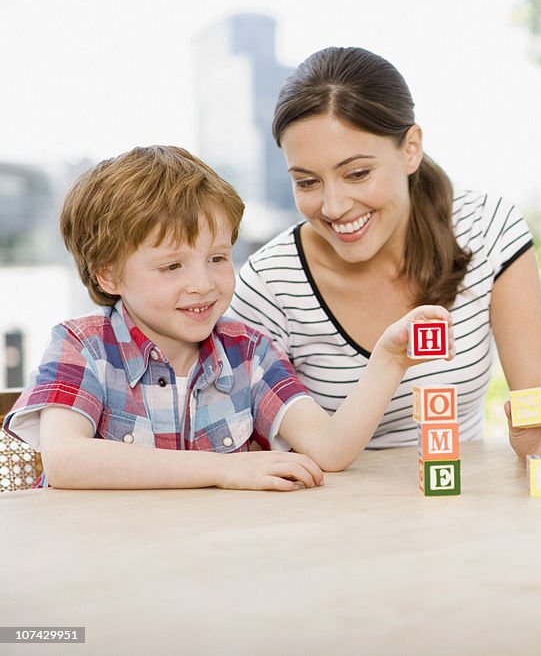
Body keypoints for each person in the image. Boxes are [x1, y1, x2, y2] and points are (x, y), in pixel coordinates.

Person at [1, 145, 454, 490]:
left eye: (218, 257)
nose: (203, 283)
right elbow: (65, 461)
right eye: (172, 266)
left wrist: (390, 359)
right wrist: (225, 468)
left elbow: (331, 449)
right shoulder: (83, 346)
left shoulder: (249, 352)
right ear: (109, 274)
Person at [229, 47, 541, 459]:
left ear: (411, 148)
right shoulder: (269, 283)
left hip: (457, 503)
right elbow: (256, 450)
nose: (333, 207)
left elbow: (540, 412)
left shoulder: (488, 229)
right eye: (308, 182)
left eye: (357, 173)